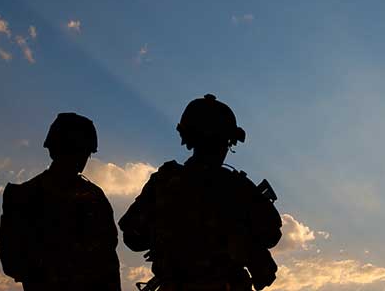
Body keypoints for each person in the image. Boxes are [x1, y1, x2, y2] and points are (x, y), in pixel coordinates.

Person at [119, 94, 281, 291]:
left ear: (188, 139)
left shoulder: (164, 182)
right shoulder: (238, 188)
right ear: (226, 142)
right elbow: (271, 235)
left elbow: (133, 239)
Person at [0, 113, 121, 290]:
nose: (82, 158)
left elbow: (108, 259)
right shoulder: (23, 195)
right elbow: (12, 261)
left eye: (84, 152)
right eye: (79, 151)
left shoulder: (94, 197)